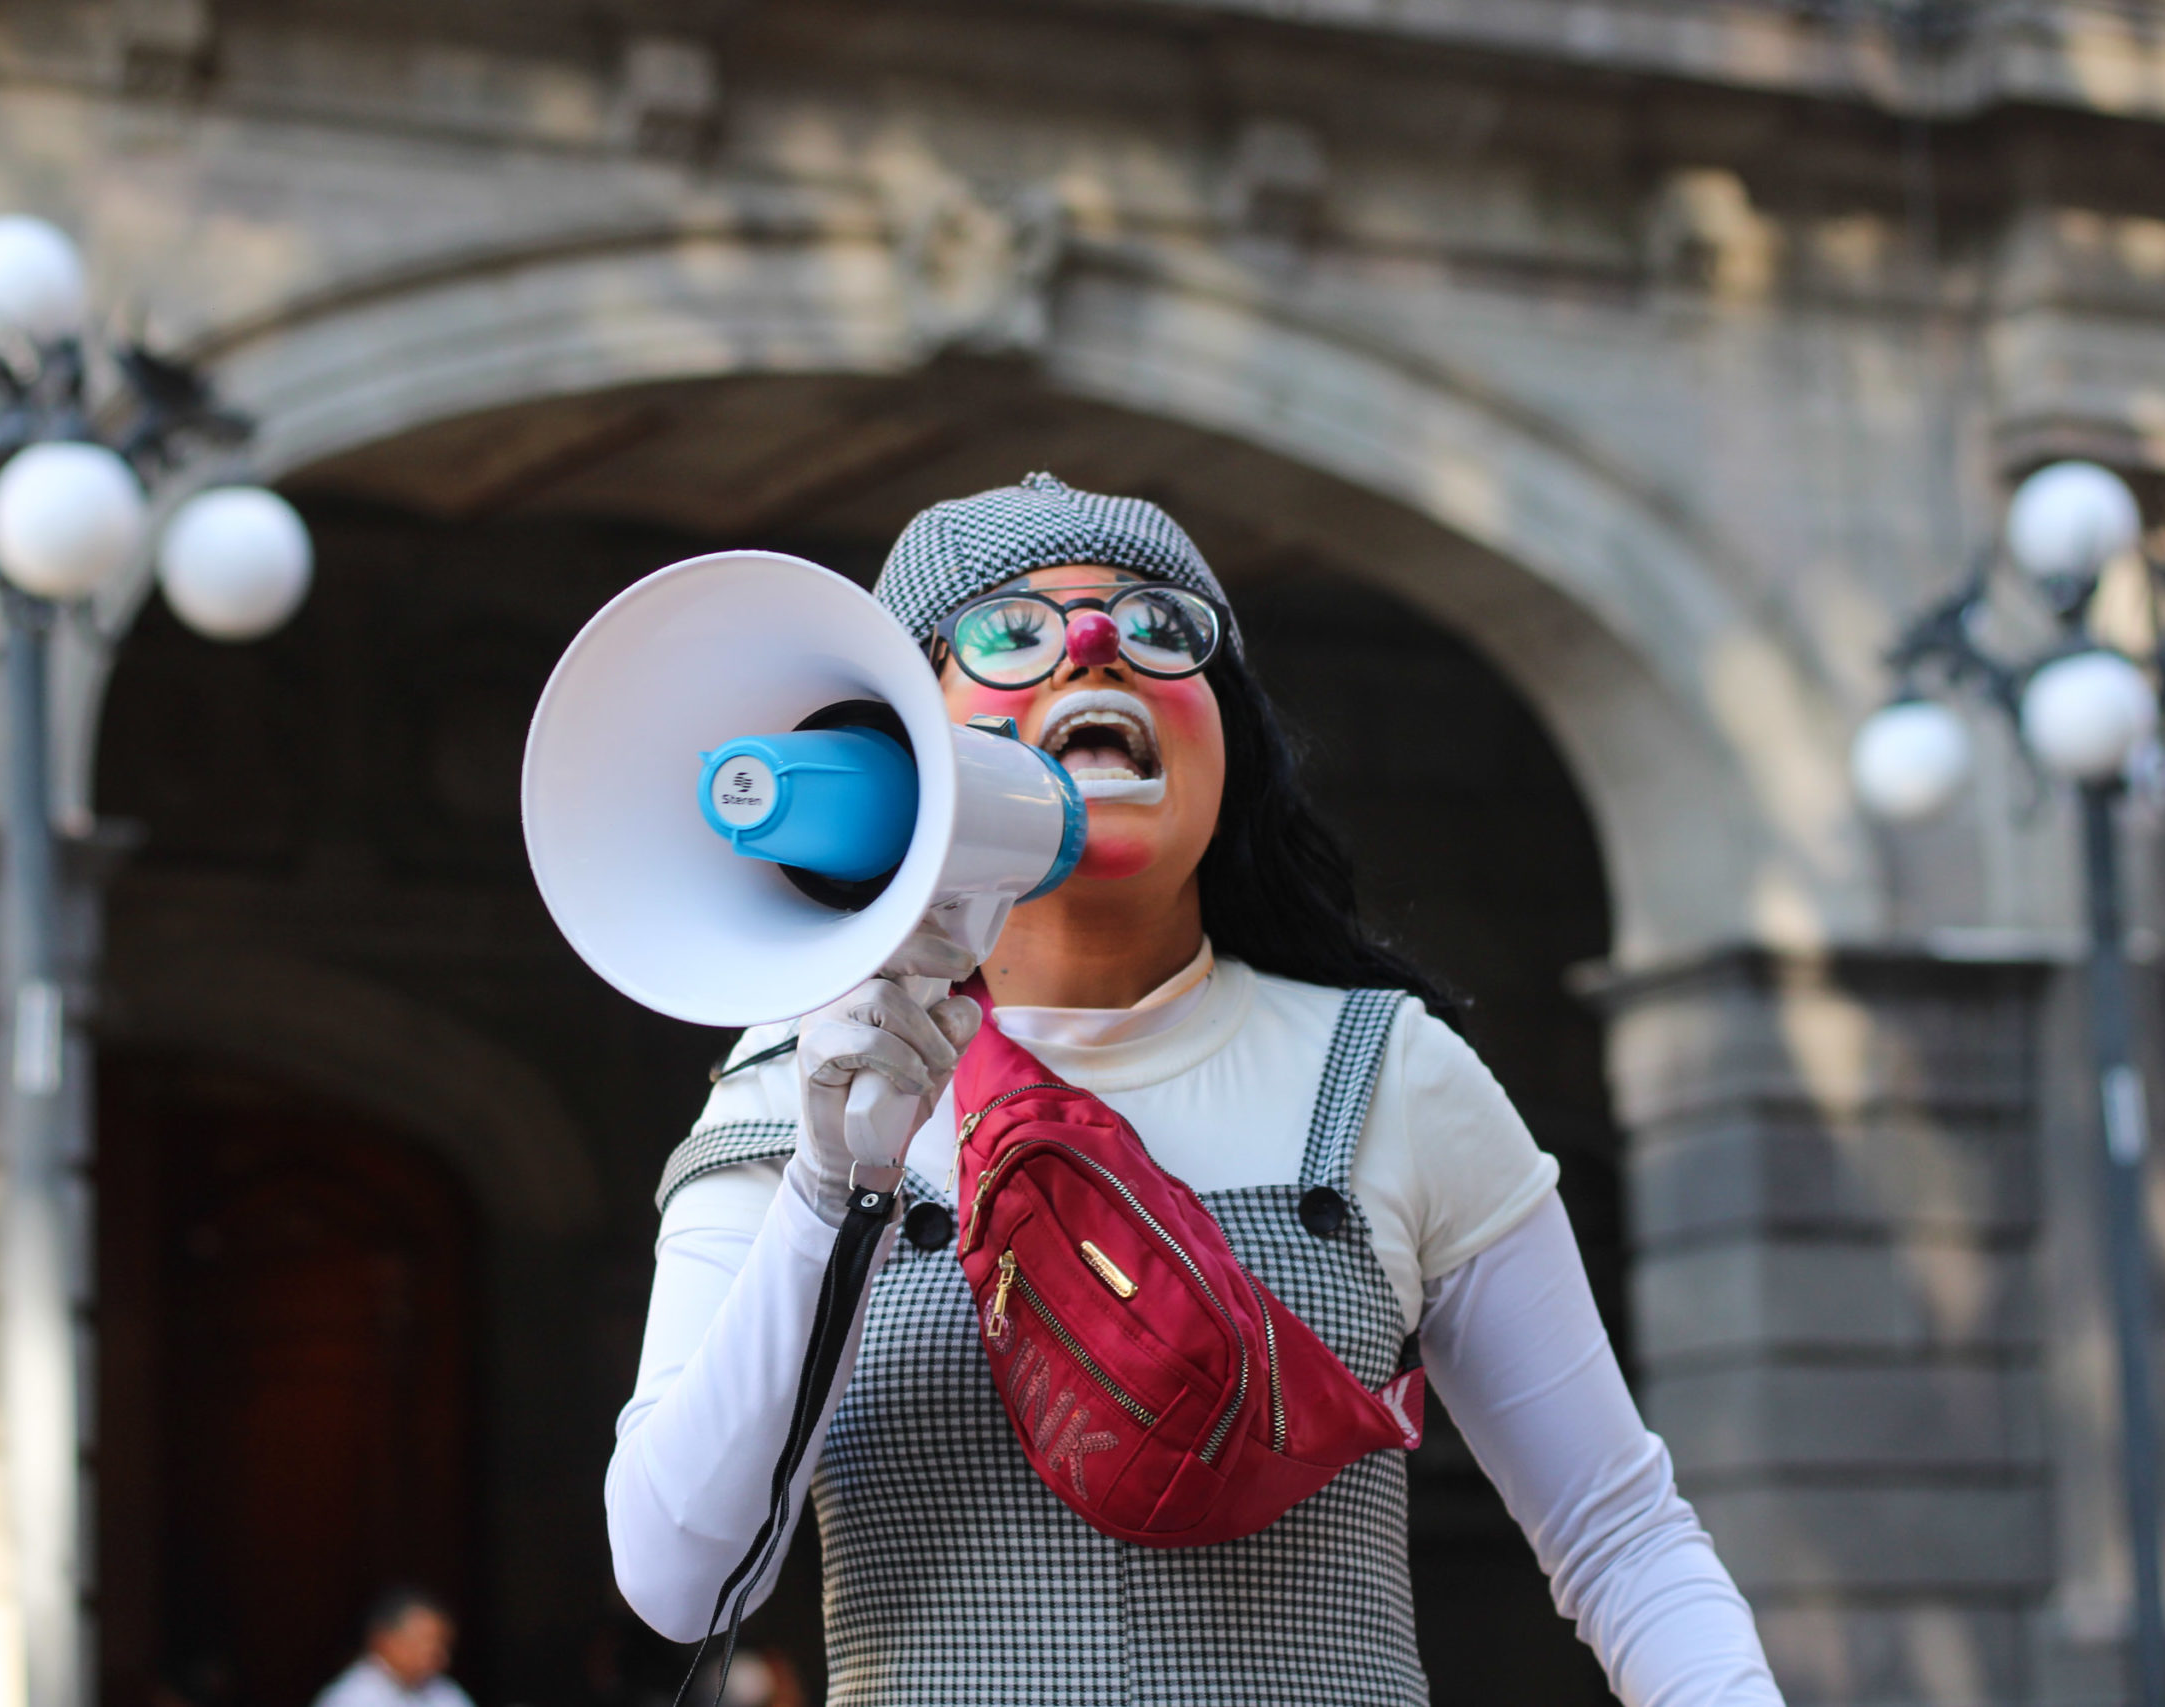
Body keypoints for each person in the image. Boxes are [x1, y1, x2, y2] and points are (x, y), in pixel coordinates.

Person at [607, 473, 1786, 1705]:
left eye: (1160, 625)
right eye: (1011, 631)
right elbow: (679, 1577)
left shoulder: (1390, 1073)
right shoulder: (798, 1081)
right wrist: (825, 1188)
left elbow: (1620, 1534)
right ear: (905, 738)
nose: (1097, 648)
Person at [313, 1587, 473, 1707]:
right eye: (426, 1643)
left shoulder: (442, 1690)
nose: (439, 1655)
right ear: (383, 1640)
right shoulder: (350, 1698)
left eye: (443, 1645)